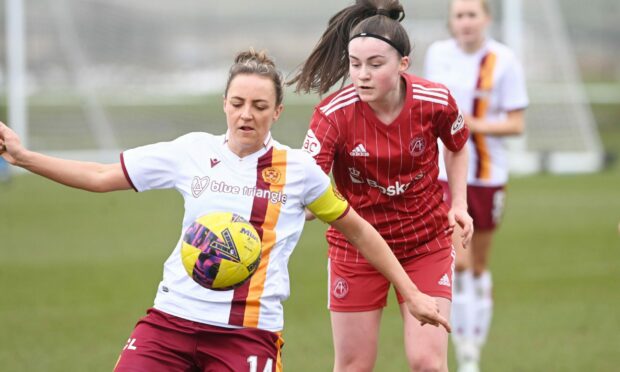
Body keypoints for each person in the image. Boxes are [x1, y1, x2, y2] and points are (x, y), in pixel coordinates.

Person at [0, 49, 450, 372]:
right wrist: (23, 157)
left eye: (258, 106)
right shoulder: (190, 151)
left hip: (247, 335)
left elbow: (358, 230)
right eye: (237, 104)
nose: (246, 115)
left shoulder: (299, 171)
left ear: (277, 111)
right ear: (224, 105)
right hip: (170, 321)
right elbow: (101, 176)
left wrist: (409, 292)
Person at [288, 1, 473, 371]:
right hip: (356, 250)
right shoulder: (332, 115)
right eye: (355, 65)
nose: (362, 75)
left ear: (403, 64)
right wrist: (303, 207)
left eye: (375, 65)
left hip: (425, 243)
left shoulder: (435, 101)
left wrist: (459, 204)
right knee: (354, 365)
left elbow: (457, 146)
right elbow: (308, 184)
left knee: (428, 362)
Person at [424, 1, 529, 371]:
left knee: (479, 264)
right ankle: (463, 351)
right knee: (461, 260)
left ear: (486, 19)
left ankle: (474, 346)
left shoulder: (504, 60)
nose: (465, 22)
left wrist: (467, 125)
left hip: (488, 174)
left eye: (472, 15)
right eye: (459, 15)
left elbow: (516, 124)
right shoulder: (438, 55)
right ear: (451, 21)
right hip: (444, 174)